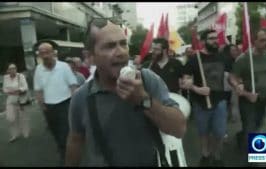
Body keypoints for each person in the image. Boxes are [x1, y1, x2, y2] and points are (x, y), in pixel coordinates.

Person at [65, 18, 186, 167]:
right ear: (90, 56)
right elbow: (75, 141)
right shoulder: (81, 97)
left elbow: (179, 129)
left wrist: (143, 100)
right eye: (110, 46)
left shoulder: (147, 80)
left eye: (123, 43)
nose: (121, 52)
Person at [181, 29, 229, 166]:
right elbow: (185, 82)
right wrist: (197, 89)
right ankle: (205, 155)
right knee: (203, 132)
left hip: (220, 101)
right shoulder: (194, 60)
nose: (215, 41)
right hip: (201, 103)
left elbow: (229, 76)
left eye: (216, 38)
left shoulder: (222, 57)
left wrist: (237, 84)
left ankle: (217, 156)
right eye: (211, 38)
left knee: (219, 133)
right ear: (203, 42)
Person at [228, 28, 266, 160]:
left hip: (264, 98)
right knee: (252, 128)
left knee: (258, 125)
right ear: (255, 41)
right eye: (262, 40)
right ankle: (258, 159)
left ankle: (241, 136)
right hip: (249, 99)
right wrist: (239, 87)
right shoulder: (244, 58)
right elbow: (232, 77)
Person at [33, 40, 78, 165]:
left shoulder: (63, 67)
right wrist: (42, 106)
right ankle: (63, 151)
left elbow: (73, 86)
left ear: (53, 53)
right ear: (39, 55)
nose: (45, 55)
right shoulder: (38, 70)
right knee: (55, 133)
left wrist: (74, 105)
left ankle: (66, 159)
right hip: (49, 107)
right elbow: (38, 89)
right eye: (42, 53)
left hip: (65, 104)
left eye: (47, 52)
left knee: (65, 133)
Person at [3, 63, 30, 142]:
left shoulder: (20, 76)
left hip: (20, 99)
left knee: (23, 117)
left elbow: (25, 87)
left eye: (14, 68)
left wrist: (18, 90)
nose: (13, 70)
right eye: (11, 68)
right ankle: (14, 135)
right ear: (8, 70)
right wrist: (12, 91)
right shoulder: (6, 77)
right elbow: (5, 89)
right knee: (10, 118)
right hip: (10, 99)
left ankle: (25, 132)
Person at [222, 44, 241, 123]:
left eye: (236, 50)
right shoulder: (225, 61)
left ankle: (231, 116)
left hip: (233, 85)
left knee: (232, 102)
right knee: (227, 101)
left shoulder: (238, 60)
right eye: (232, 50)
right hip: (226, 85)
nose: (235, 52)